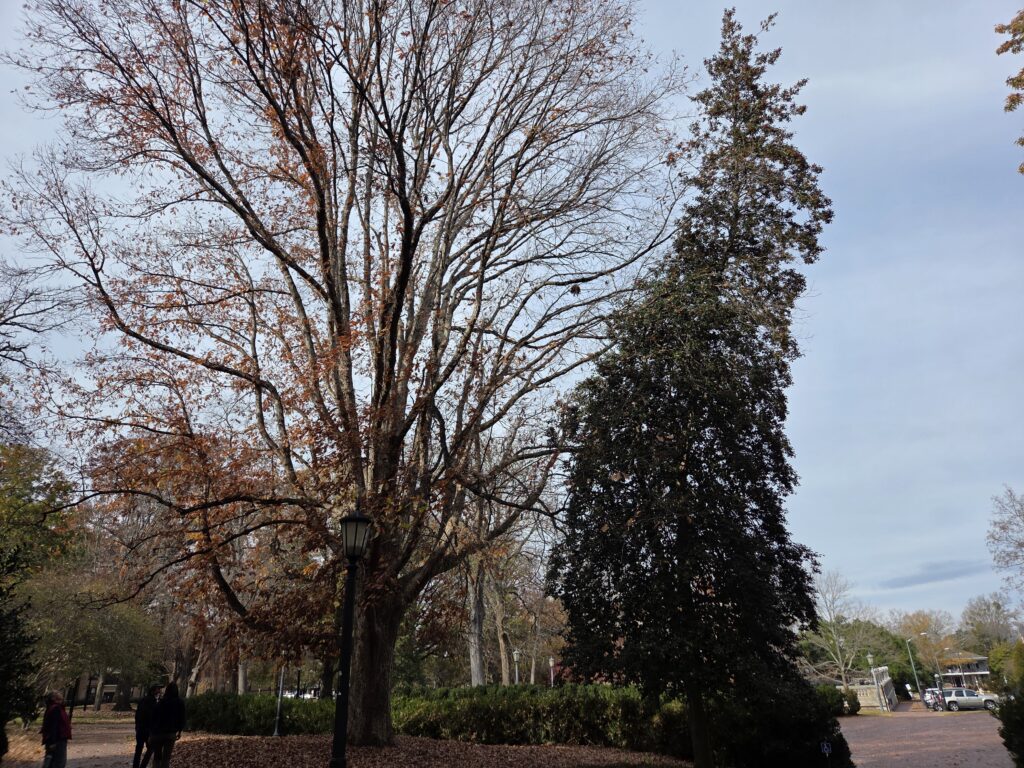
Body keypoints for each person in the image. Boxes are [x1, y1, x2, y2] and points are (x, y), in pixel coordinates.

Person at [147, 683, 185, 768]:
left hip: (158, 733)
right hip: (170, 733)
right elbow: (182, 718)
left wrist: (151, 733)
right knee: (166, 758)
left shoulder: (161, 702)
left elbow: (153, 718)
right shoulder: (180, 703)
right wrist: (179, 731)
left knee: (157, 757)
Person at [133, 685, 162, 768]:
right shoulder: (153, 702)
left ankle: (136, 766)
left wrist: (137, 725)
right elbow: (153, 716)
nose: (159, 691)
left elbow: (137, 714)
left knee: (139, 749)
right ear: (153, 691)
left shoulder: (143, 700)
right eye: (158, 689)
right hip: (148, 729)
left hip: (140, 728)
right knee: (150, 749)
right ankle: (143, 765)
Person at [40, 691, 71, 768]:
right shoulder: (55, 709)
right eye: (57, 694)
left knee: (51, 762)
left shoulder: (54, 708)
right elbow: (53, 726)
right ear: (53, 698)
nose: (60, 694)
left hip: (55, 739)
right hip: (58, 740)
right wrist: (53, 742)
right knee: (59, 763)